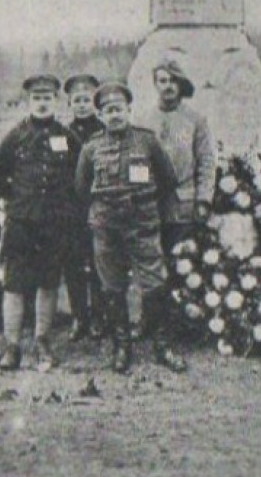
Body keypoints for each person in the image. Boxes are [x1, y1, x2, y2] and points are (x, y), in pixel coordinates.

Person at [74, 81, 181, 374]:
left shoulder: (147, 141)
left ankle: (162, 345)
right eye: (108, 110)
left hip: (142, 225)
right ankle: (122, 346)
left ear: (128, 110)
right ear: (101, 115)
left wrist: (141, 204)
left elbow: (168, 179)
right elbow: (82, 189)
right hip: (107, 227)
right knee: (112, 285)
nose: (114, 115)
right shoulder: (91, 148)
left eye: (119, 109)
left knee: (155, 283)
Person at [0, 74, 83, 372]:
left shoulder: (68, 138)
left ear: (57, 101)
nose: (42, 103)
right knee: (14, 285)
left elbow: (79, 180)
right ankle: (12, 346)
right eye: (37, 98)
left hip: (54, 224)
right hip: (21, 223)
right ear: (29, 102)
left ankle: (42, 341)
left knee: (48, 283)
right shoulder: (15, 136)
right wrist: (11, 207)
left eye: (48, 98)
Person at [148, 52, 217, 258]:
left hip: (184, 208)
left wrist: (204, 199)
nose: (168, 86)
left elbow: (206, 161)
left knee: (184, 267)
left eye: (173, 81)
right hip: (152, 208)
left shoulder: (196, 120)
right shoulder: (143, 120)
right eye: (162, 80)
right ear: (155, 84)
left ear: (180, 85)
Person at [63, 73, 106, 338]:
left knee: (99, 261)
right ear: (69, 103)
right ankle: (78, 316)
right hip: (70, 209)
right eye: (76, 100)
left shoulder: (104, 130)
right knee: (73, 263)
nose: (81, 105)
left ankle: (99, 316)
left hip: (99, 205)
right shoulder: (62, 133)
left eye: (87, 99)